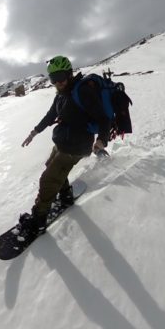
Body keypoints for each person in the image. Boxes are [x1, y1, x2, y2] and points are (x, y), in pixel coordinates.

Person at [18, 55, 110, 234]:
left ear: (69, 74)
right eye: (53, 79)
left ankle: (39, 219)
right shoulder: (61, 95)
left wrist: (101, 140)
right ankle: (66, 195)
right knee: (50, 167)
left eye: (61, 77)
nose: (58, 82)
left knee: (48, 178)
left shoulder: (82, 91)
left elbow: (103, 118)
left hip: (77, 146)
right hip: (63, 142)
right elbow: (50, 115)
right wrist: (34, 132)